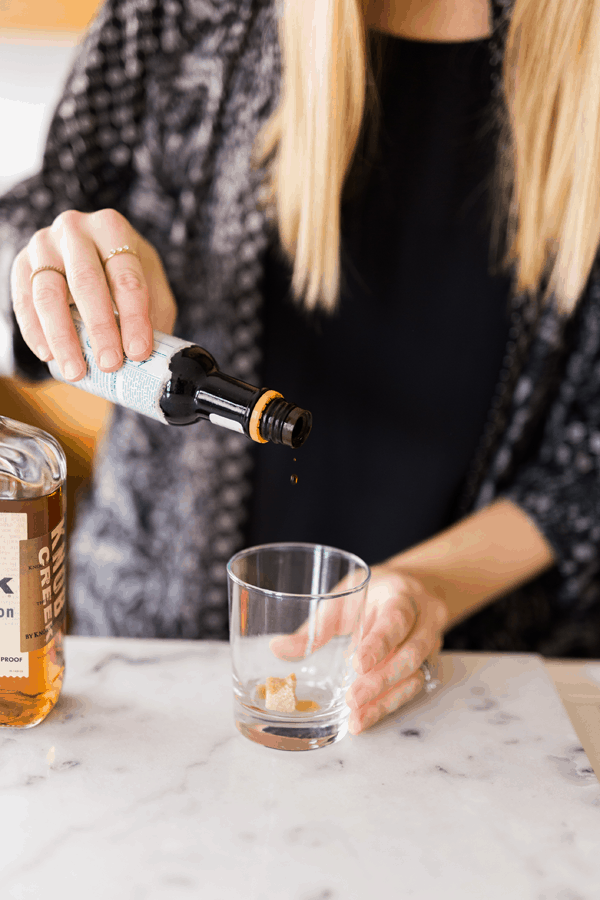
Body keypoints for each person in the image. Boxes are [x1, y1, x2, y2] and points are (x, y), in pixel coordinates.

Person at [1, 0, 600, 738]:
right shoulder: (185, 13)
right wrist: (53, 273)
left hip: (481, 703)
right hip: (152, 687)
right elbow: (32, 217)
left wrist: (433, 585)